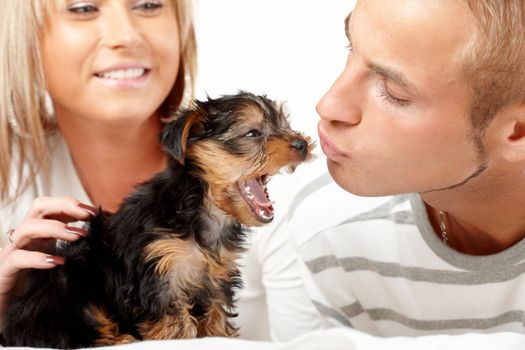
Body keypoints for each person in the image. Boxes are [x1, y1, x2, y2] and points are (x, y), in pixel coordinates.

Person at [239, 0, 525, 340]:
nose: (328, 105)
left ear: (518, 130)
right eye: (350, 46)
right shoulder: (330, 229)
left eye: (394, 90)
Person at [0, 0, 196, 333]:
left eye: (149, 5)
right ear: (25, 38)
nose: (126, 35)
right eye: (83, 8)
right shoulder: (9, 183)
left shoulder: (261, 184)